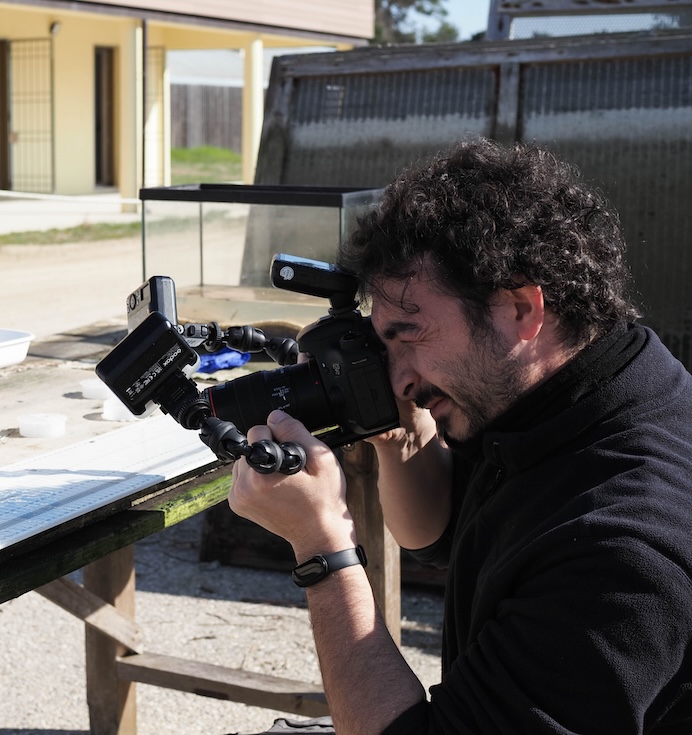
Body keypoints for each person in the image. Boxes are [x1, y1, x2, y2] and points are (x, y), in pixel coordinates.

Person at [229, 138, 692, 733]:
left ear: (522, 308)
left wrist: (323, 548)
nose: (399, 378)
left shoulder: (623, 550)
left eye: (411, 336)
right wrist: (402, 436)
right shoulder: (581, 390)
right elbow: (442, 534)